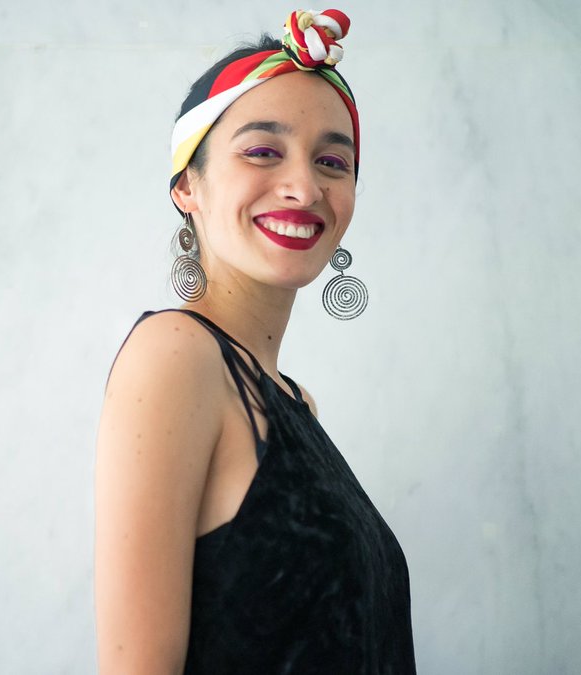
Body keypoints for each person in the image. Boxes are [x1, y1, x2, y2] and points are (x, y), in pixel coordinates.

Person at [94, 9, 416, 674]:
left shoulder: (297, 403)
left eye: (333, 161)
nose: (304, 187)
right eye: (263, 151)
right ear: (188, 186)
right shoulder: (177, 356)